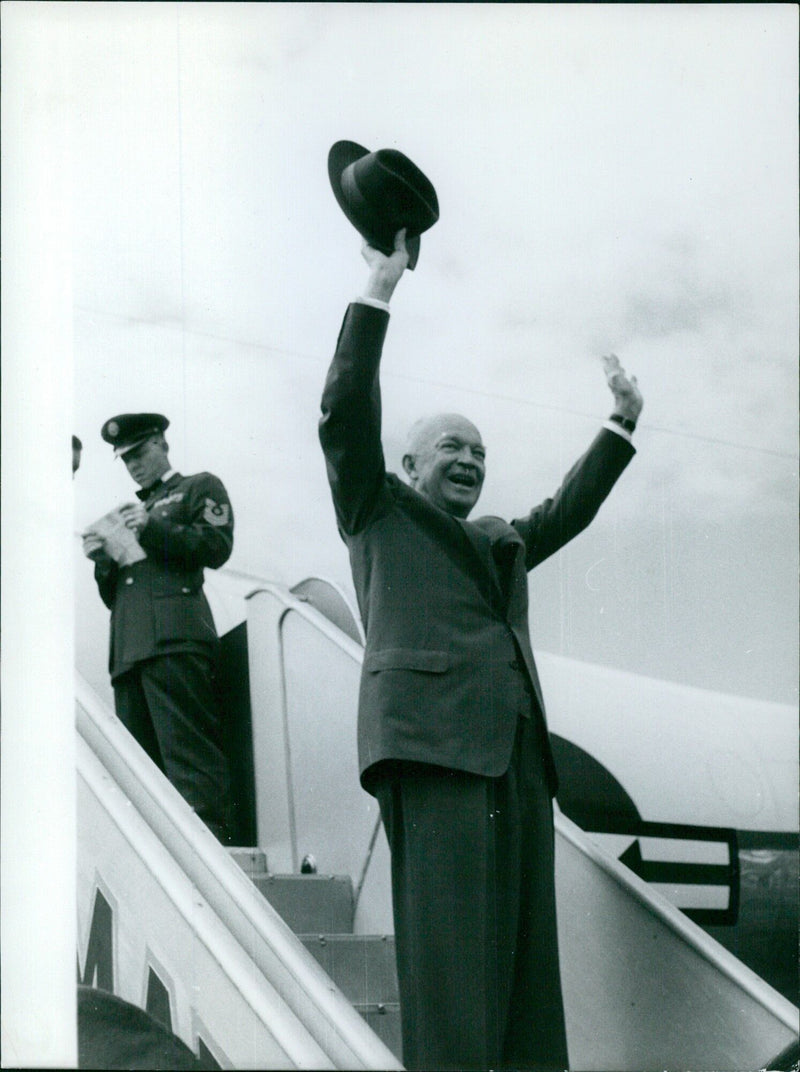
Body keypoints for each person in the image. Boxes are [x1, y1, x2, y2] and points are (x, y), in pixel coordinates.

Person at [319, 230, 643, 1071]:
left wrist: (620, 423)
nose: (469, 459)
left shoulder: (501, 538)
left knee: (528, 981)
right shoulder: (375, 509)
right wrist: (377, 294)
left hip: (517, 761)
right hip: (431, 750)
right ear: (409, 463)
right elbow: (345, 415)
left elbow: (565, 511)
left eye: (480, 454)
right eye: (452, 448)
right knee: (452, 974)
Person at [82, 413, 234, 843]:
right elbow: (117, 595)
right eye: (125, 459)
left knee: (189, 755)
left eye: (139, 452)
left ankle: (210, 845)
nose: (133, 464)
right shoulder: (134, 510)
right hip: (129, 650)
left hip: (175, 639)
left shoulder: (198, 487)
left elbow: (216, 546)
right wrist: (104, 561)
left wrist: (154, 527)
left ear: (162, 444)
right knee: (139, 770)